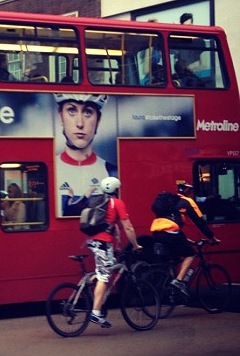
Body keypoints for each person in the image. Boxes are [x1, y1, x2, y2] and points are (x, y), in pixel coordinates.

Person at [86, 177, 142, 328]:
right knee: (104, 277)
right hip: (103, 243)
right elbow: (128, 227)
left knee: (106, 269)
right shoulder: (116, 202)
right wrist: (135, 245)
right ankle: (96, 313)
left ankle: (93, 280)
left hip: (93, 241)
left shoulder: (98, 200)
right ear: (115, 189)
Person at [150, 182, 221, 298]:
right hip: (171, 233)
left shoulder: (168, 204)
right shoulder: (187, 202)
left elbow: (170, 228)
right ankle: (178, 281)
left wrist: (189, 241)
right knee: (191, 254)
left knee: (173, 259)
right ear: (188, 191)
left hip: (156, 233)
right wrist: (212, 238)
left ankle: (173, 290)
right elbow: (200, 222)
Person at [54, 93, 116, 216]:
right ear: (61, 116)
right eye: (72, 111)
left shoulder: (112, 172)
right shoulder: (50, 169)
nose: (80, 124)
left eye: (88, 112)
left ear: (98, 120)